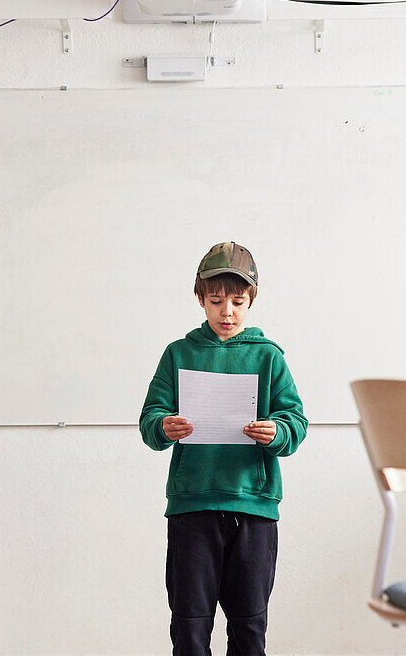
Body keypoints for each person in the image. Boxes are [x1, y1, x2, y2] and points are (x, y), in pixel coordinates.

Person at [139, 241, 308, 656]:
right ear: (201, 298)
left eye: (237, 300)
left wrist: (277, 431)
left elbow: (296, 421)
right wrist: (165, 425)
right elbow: (150, 420)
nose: (226, 311)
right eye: (216, 301)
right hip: (192, 507)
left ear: (251, 300)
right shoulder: (179, 353)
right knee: (190, 627)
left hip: (254, 508)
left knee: (250, 628)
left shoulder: (269, 357)